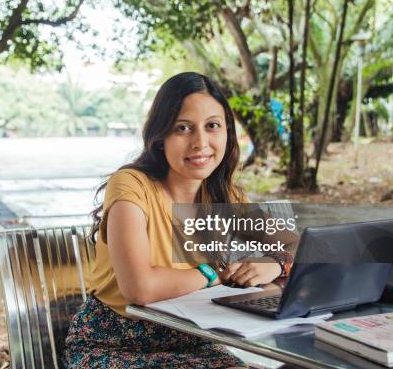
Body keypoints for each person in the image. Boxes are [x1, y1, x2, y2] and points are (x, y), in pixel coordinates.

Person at [63, 72, 292, 368]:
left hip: (194, 341)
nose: (200, 142)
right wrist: (217, 273)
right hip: (113, 343)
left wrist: (276, 262)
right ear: (161, 138)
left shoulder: (225, 195)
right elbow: (140, 287)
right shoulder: (131, 185)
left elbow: (297, 244)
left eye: (212, 126)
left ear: (227, 133)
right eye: (183, 128)